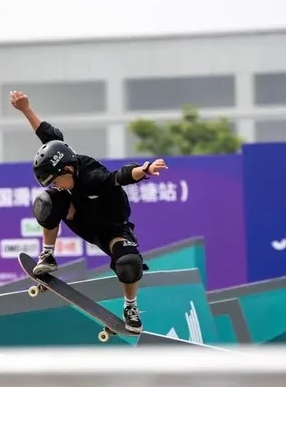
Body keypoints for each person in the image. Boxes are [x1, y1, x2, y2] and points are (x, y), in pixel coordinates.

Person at [9, 90, 168, 333]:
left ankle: (130, 307)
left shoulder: (94, 177)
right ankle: (48, 255)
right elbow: (45, 134)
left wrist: (144, 170)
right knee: (47, 201)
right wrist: (25, 109)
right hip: (81, 218)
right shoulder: (61, 153)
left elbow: (120, 176)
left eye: (56, 180)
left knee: (129, 263)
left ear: (69, 170)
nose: (56, 184)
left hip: (112, 229)